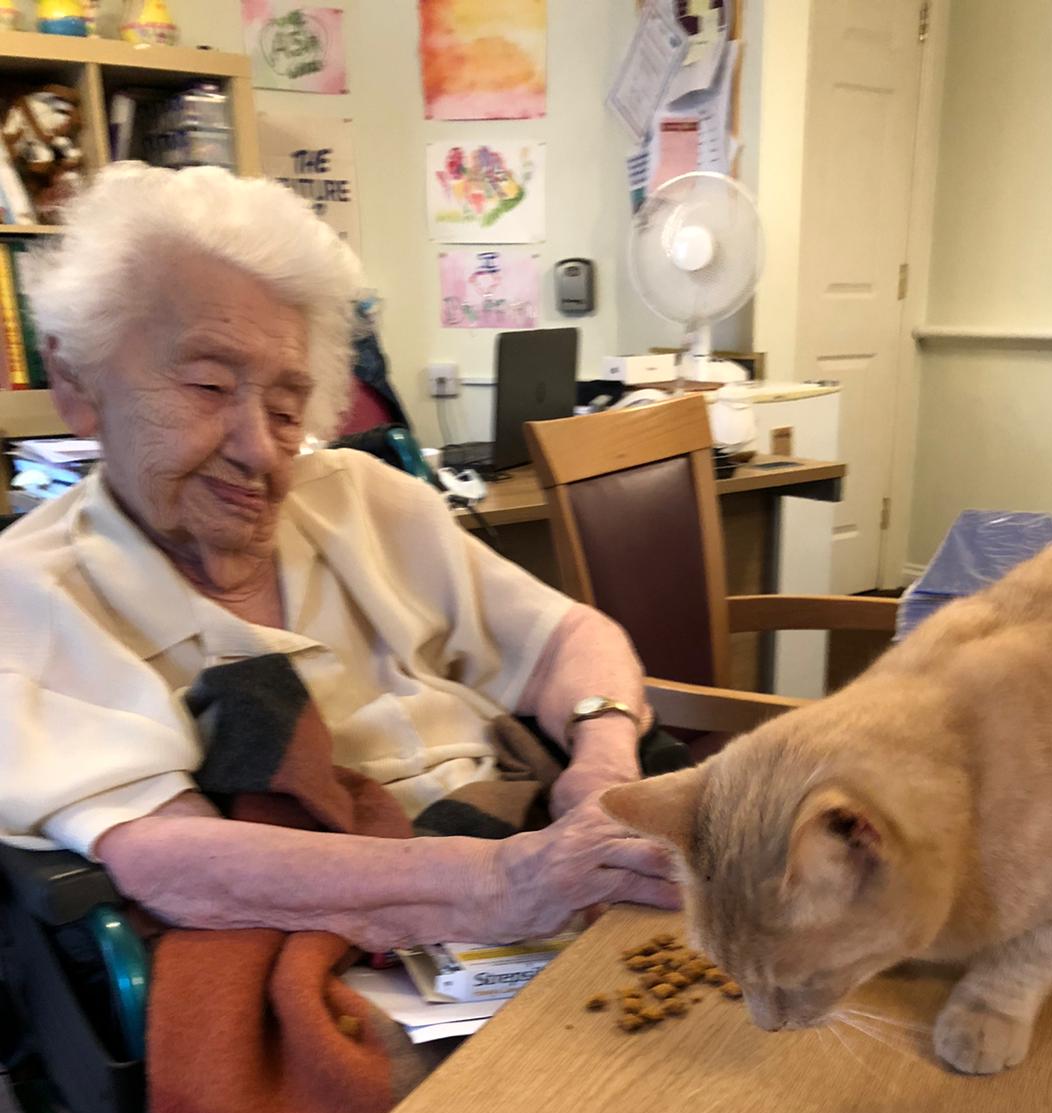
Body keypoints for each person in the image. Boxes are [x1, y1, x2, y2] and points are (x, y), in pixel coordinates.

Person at [0, 163, 678, 949]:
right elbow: (168, 856)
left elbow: (571, 638)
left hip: (543, 873)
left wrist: (602, 764)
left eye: (287, 409)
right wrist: (496, 883)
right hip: (368, 941)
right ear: (76, 383)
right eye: (209, 388)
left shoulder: (364, 499)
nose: (260, 449)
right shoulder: (34, 595)